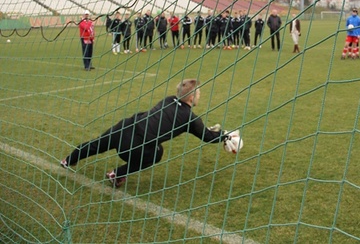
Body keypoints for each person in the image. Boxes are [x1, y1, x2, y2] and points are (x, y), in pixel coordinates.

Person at [60, 79, 233, 188]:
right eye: (198, 94)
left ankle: (68, 160)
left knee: (96, 145)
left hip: (125, 127)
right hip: (136, 146)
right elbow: (208, 137)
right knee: (158, 152)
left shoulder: (168, 99)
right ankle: (117, 174)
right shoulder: (190, 118)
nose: (199, 97)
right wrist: (226, 135)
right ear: (191, 97)